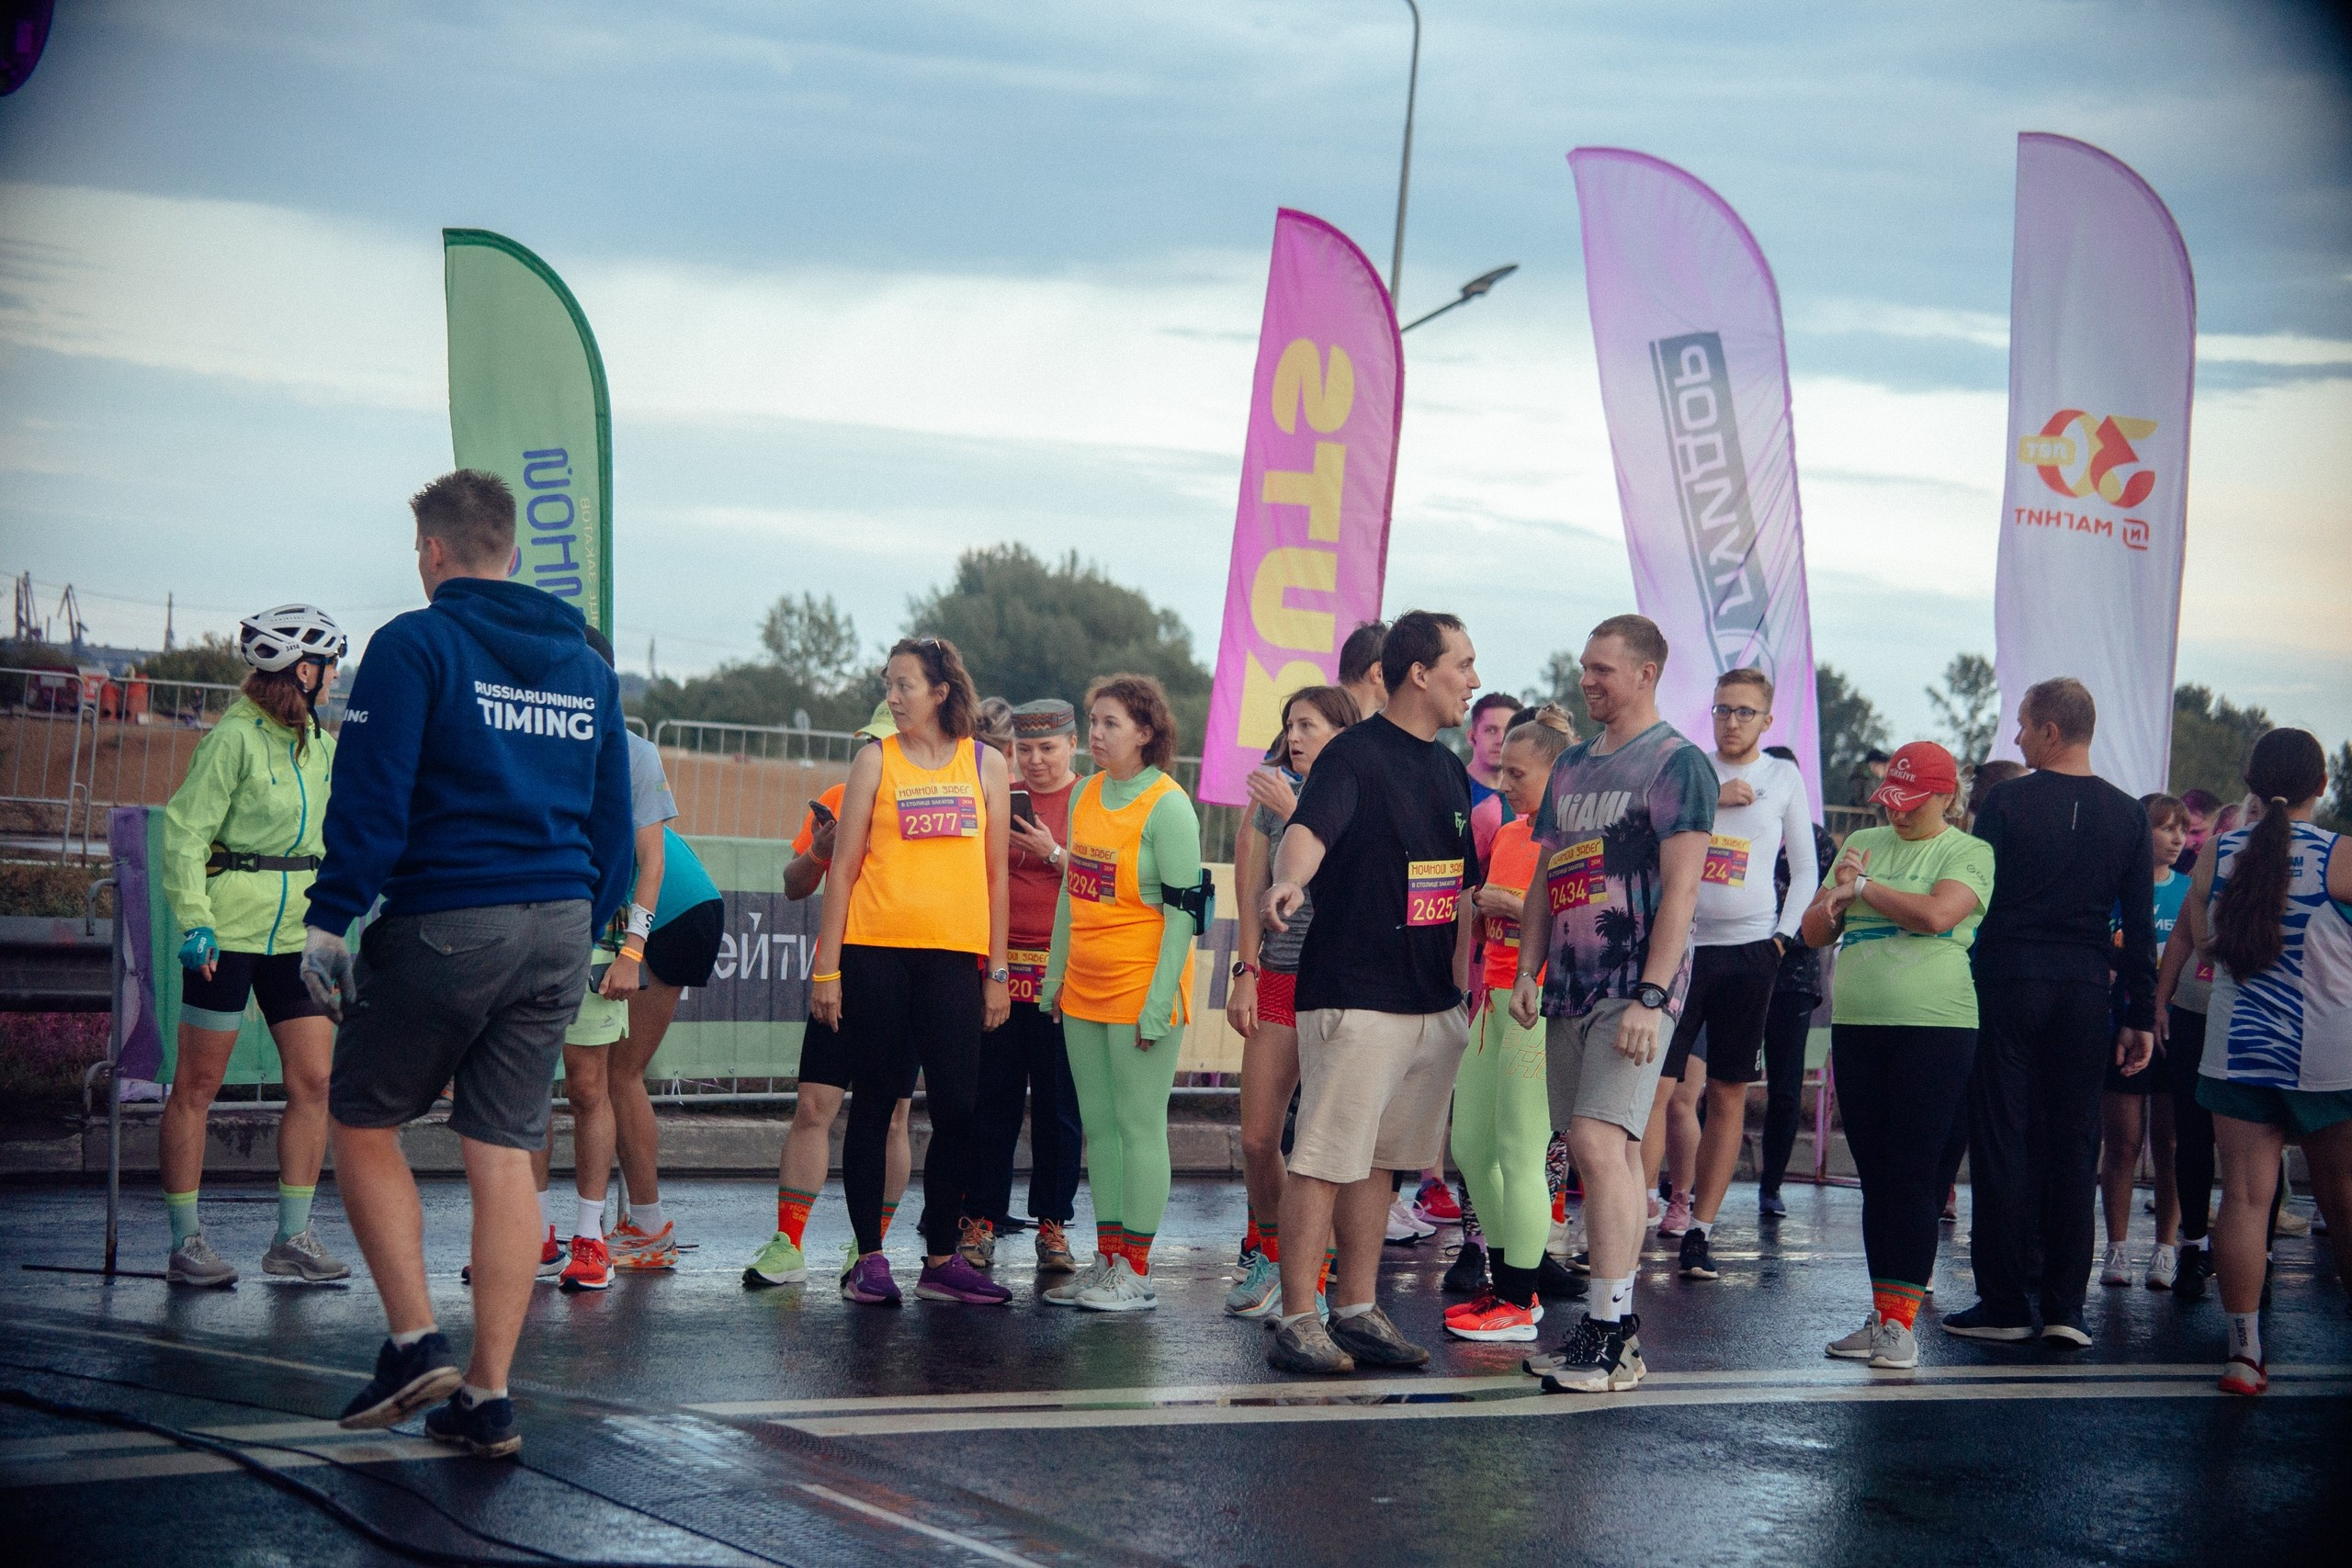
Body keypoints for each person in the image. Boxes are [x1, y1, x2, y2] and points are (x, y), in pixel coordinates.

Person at [307, 469, 631, 1460]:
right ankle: (487, 1398)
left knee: (361, 1120)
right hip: (559, 925)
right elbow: (613, 818)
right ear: (513, 552)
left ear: (435, 555)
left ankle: (413, 1343)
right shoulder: (586, 667)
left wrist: (332, 917)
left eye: (422, 553)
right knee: (502, 1152)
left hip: (449, 914)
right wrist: (595, 914)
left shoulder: (415, 644)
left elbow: (373, 792)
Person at [1261, 611, 1480, 1374]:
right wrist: (1289, 881)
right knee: (1323, 1156)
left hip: (1428, 1003)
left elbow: (1459, 891)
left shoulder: (1450, 770)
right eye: (1464, 663)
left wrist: (1463, 992)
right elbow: (1308, 833)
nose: (1474, 680)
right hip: (1353, 997)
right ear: (1419, 671)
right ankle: (1297, 1316)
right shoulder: (1352, 755)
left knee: (1381, 1160)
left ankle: (1355, 1308)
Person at [1509, 614, 1714, 1394]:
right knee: (1607, 1149)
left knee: (1599, 1143)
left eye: (1603, 668)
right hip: (1567, 984)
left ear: (1646, 673)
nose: (1588, 679)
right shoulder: (1569, 767)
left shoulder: (1676, 763)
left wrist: (1653, 996)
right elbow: (1544, 875)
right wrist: (1529, 966)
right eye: (1585, 667)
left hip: (1635, 990)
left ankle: (1613, 1328)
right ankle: (1610, 1328)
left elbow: (1684, 888)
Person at [1947, 678, 2156, 1347]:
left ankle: (2005, 1301)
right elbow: (2142, 928)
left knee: (2002, 1138)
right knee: (2076, 1143)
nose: (2016, 737)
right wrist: (2140, 1016)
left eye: (2023, 724)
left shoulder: (2006, 801)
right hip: (2085, 988)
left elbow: (1978, 902)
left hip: (2008, 980)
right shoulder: (2128, 814)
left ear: (2051, 731)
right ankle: (2068, 1304)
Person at [809, 636, 1012, 1307]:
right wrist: (827, 968)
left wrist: (998, 969)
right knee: (875, 1102)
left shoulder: (986, 765)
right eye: (888, 684)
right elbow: (841, 869)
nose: (892, 697)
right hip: (875, 954)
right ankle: (869, 1258)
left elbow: (995, 876)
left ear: (941, 690)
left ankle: (941, 1258)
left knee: (958, 1106)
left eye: (904, 685)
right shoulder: (875, 760)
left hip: (955, 958)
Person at [157, 603, 352, 1288]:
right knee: (199, 1086)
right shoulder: (233, 739)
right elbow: (183, 833)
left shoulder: (320, 744)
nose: (333, 678)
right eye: (328, 666)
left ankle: (292, 1236)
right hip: (227, 932)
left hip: (298, 933)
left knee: (315, 1080)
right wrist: (195, 921)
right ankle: (187, 1242)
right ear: (303, 669)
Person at [1803, 741, 1994, 1369]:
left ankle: (1899, 1328)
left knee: (1913, 1174)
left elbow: (1938, 915)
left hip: (1933, 1027)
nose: (1898, 814)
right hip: (1858, 1024)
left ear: (1946, 796)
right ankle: (1883, 1312)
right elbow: (1812, 929)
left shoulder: (1967, 850)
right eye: (1891, 801)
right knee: (1877, 1177)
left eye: (1912, 803)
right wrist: (1838, 898)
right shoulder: (1866, 847)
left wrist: (1863, 889)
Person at [2177, 728, 2352, 1394]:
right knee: (2342, 1197)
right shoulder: (2342, 856)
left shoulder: (2217, 852)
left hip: (2238, 1049)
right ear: (2323, 783)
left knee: (2245, 1198)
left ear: (2250, 782)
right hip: (2330, 1054)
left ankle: (2243, 1354)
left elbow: (2206, 944)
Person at [1040, 675, 1205, 1311]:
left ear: (1145, 732)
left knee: (1139, 1128)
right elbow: (1071, 894)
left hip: (1142, 988)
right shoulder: (1084, 793)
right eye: (1093, 721)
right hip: (1083, 988)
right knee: (1101, 1130)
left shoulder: (1168, 805)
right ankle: (1107, 1258)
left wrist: (1161, 1000)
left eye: (1109, 722)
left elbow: (1185, 913)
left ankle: (1135, 1270)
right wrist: (1055, 978)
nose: (1096, 735)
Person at [743, 703, 915, 1289]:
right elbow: (793, 887)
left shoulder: (937, 803)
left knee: (893, 1116)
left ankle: (870, 1248)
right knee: (814, 1107)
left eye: (889, 742)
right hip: (838, 973)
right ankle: (788, 1244)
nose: (878, 752)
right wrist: (820, 849)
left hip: (910, 977)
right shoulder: (841, 795)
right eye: (872, 741)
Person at [1665, 669, 1818, 1281]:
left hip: (1751, 951)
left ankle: (1700, 1230)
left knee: (1728, 1091)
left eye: (1745, 712)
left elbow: (1804, 868)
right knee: (1655, 1090)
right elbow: (1653, 836)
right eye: (1723, 708)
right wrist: (1711, 799)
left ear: (1767, 720)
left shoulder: (1783, 777)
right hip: (1681, 948)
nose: (1731, 721)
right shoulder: (1689, 766)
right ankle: (1639, 1211)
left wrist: (1782, 937)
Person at [588, 630, 727, 1274]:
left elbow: (643, 860)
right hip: (677, 907)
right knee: (615, 1073)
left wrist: (628, 947)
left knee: (619, 1074)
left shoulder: (620, 743)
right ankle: (638, 1222)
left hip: (674, 914)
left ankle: (647, 1226)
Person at [1444, 705, 1580, 1341]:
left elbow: (1579, 929)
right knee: (1472, 1145)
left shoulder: (1574, 839)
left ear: (1558, 773)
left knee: (1522, 1153)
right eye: (1500, 770)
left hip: (1538, 1006)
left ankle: (1522, 1299)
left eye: (1517, 773)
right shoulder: (1506, 831)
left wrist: (1511, 905)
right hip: (1493, 1000)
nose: (1503, 784)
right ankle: (1505, 1287)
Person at [1226, 684, 1359, 1318]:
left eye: (1307, 724)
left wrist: (1301, 806)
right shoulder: (1274, 798)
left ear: (1342, 730)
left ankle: (1314, 1270)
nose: (1294, 736)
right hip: (1278, 974)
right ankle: (1274, 1254)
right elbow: (1254, 887)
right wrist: (1244, 970)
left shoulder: (1361, 783)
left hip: (1341, 982)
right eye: (1290, 724)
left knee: (1323, 1141)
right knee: (1257, 1138)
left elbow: (1358, 881)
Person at [959, 698, 1086, 1275]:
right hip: (1002, 972)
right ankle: (982, 1217)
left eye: (1048, 749)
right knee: (994, 1102)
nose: (1035, 762)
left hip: (1063, 976)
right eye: (1025, 750)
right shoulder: (998, 795)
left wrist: (1052, 854)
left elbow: (1110, 880)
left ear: (1072, 745)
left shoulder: (1091, 799)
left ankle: (1053, 1225)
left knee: (1060, 1109)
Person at [2098, 794, 2193, 1289]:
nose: (2178, 838)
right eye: (2166, 828)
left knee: (2171, 1142)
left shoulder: (2190, 890)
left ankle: (2165, 1249)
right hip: (2122, 1029)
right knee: (2123, 1142)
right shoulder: (2114, 890)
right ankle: (2115, 1250)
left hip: (2174, 1030)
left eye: (2184, 829)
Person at [1756, 744, 1838, 1217]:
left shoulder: (1817, 840)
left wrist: (1786, 935)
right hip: (1741, 966)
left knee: (1786, 1087)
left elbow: (1825, 908)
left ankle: (1772, 1185)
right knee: (1714, 1082)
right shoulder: (1741, 826)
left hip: (1794, 974)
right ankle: (1694, 1185)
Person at [1464, 693, 1526, 809]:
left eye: (1510, 731)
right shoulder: (1451, 788)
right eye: (1491, 730)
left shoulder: (1529, 796)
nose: (1501, 740)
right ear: (1472, 737)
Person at [2176, 788, 2223, 874]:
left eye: (2196, 832)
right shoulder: (2176, 860)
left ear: (2219, 828)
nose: (2187, 841)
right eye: (2182, 831)